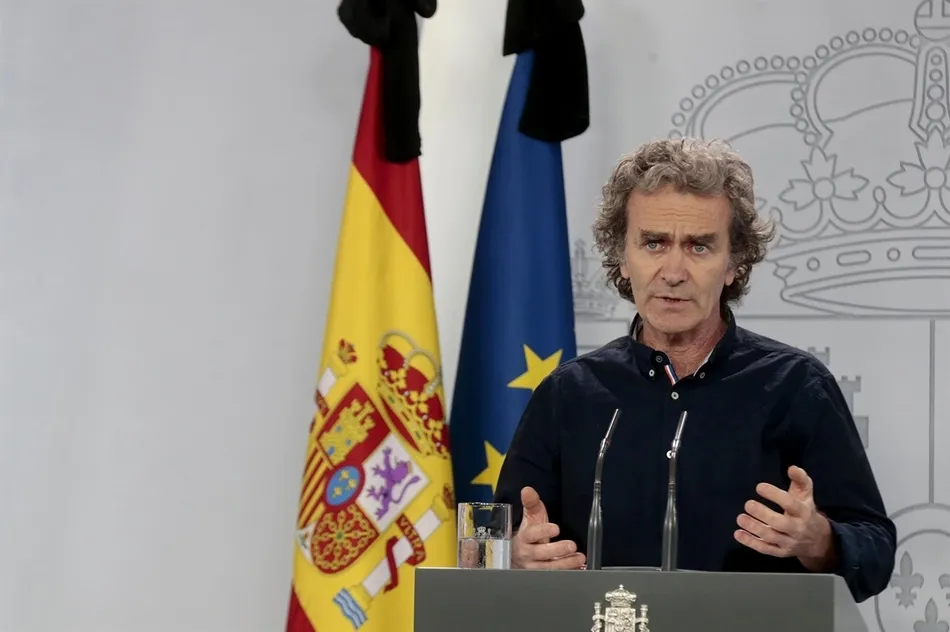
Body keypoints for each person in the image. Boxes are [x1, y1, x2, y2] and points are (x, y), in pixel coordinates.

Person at [492, 137, 896, 603]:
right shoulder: (568, 394)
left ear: (733, 263)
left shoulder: (797, 386)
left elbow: (876, 553)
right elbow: (498, 545)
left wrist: (819, 540)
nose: (673, 271)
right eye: (654, 243)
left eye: (699, 247)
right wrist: (517, 557)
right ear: (623, 257)